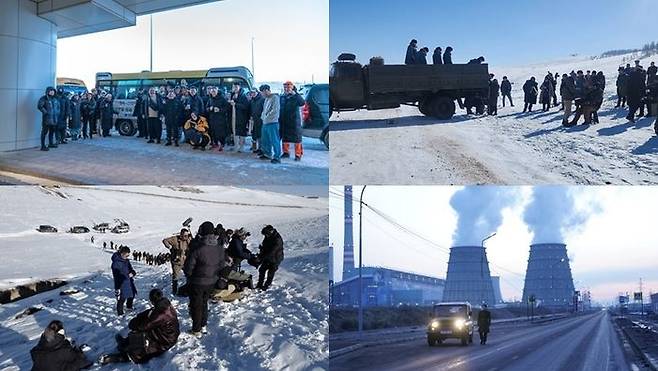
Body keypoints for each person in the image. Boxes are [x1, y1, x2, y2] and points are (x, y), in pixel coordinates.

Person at [101, 289, 180, 365]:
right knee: (144, 331)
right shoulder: (165, 304)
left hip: (165, 340)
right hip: (166, 334)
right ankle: (126, 342)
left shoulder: (160, 314)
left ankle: (122, 357)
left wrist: (134, 324)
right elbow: (151, 313)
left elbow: (144, 326)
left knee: (143, 342)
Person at [183, 221, 224, 337]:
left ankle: (196, 329)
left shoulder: (198, 248)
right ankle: (203, 325)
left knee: (196, 305)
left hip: (197, 282)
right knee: (204, 303)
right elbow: (222, 266)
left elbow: (188, 268)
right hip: (211, 281)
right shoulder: (220, 248)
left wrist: (190, 276)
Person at [279, 81, 305, 161]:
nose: (286, 89)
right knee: (285, 138)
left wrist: (295, 94)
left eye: (288, 87)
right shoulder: (282, 97)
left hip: (294, 121)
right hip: (284, 120)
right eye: (285, 87)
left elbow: (302, 103)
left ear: (292, 87)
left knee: (297, 139)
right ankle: (286, 152)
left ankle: (298, 154)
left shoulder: (296, 96)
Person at [163, 229, 192, 295]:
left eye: (186, 236)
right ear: (181, 235)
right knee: (175, 277)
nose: (185, 237)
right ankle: (174, 291)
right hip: (177, 262)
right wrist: (170, 247)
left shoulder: (188, 240)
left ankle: (188, 289)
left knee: (188, 275)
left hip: (186, 261)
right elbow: (165, 240)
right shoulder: (175, 239)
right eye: (184, 236)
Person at [259, 84, 282, 163]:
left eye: (262, 92)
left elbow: (275, 111)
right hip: (265, 122)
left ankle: (277, 156)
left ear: (266, 90)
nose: (262, 94)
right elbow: (264, 110)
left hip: (272, 122)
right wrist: (263, 118)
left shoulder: (275, 98)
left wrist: (266, 118)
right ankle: (267, 153)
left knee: (274, 140)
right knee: (265, 139)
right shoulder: (266, 99)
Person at [256, 225, 284, 291]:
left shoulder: (277, 239)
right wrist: (262, 250)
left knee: (270, 273)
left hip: (275, 258)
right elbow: (265, 245)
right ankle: (259, 284)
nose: (265, 236)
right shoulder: (267, 236)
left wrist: (261, 258)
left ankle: (266, 285)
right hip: (268, 258)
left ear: (270, 232)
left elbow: (272, 252)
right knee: (261, 270)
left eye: (266, 234)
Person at [111, 245, 137, 316]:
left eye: (128, 255)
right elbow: (116, 276)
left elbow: (130, 268)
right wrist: (117, 287)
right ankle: (120, 313)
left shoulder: (126, 261)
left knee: (132, 295)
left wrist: (133, 272)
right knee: (122, 298)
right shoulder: (116, 263)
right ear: (122, 253)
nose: (127, 257)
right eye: (126, 255)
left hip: (129, 281)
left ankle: (129, 307)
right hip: (121, 282)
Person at [205, 86, 230, 151]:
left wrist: (219, 110)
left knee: (221, 132)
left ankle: (222, 144)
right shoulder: (210, 99)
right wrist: (209, 109)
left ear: (217, 91)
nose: (213, 92)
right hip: (212, 119)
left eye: (214, 91)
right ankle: (215, 143)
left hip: (220, 119)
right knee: (213, 132)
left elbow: (227, 108)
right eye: (212, 91)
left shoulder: (222, 98)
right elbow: (206, 108)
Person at [229, 82, 251, 152]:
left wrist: (235, 104)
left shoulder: (243, 96)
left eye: (236, 87)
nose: (234, 89)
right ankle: (236, 146)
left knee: (241, 132)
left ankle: (241, 147)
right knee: (235, 131)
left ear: (239, 87)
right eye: (233, 87)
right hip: (233, 116)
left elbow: (245, 107)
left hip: (241, 117)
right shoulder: (232, 95)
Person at [37, 87, 59, 151]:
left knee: (52, 131)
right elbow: (39, 106)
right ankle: (43, 146)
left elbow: (58, 107)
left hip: (54, 118)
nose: (52, 92)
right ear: (48, 91)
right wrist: (45, 112)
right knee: (44, 132)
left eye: (53, 91)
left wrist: (57, 113)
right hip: (47, 119)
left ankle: (51, 143)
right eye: (50, 91)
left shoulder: (55, 99)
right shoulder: (44, 98)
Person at [249, 89, 265, 153]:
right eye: (251, 93)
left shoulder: (262, 99)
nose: (252, 94)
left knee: (260, 134)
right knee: (254, 134)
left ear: (257, 92)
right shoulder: (252, 100)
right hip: (254, 120)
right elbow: (251, 109)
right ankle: (255, 148)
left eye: (253, 92)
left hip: (260, 119)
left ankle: (261, 148)